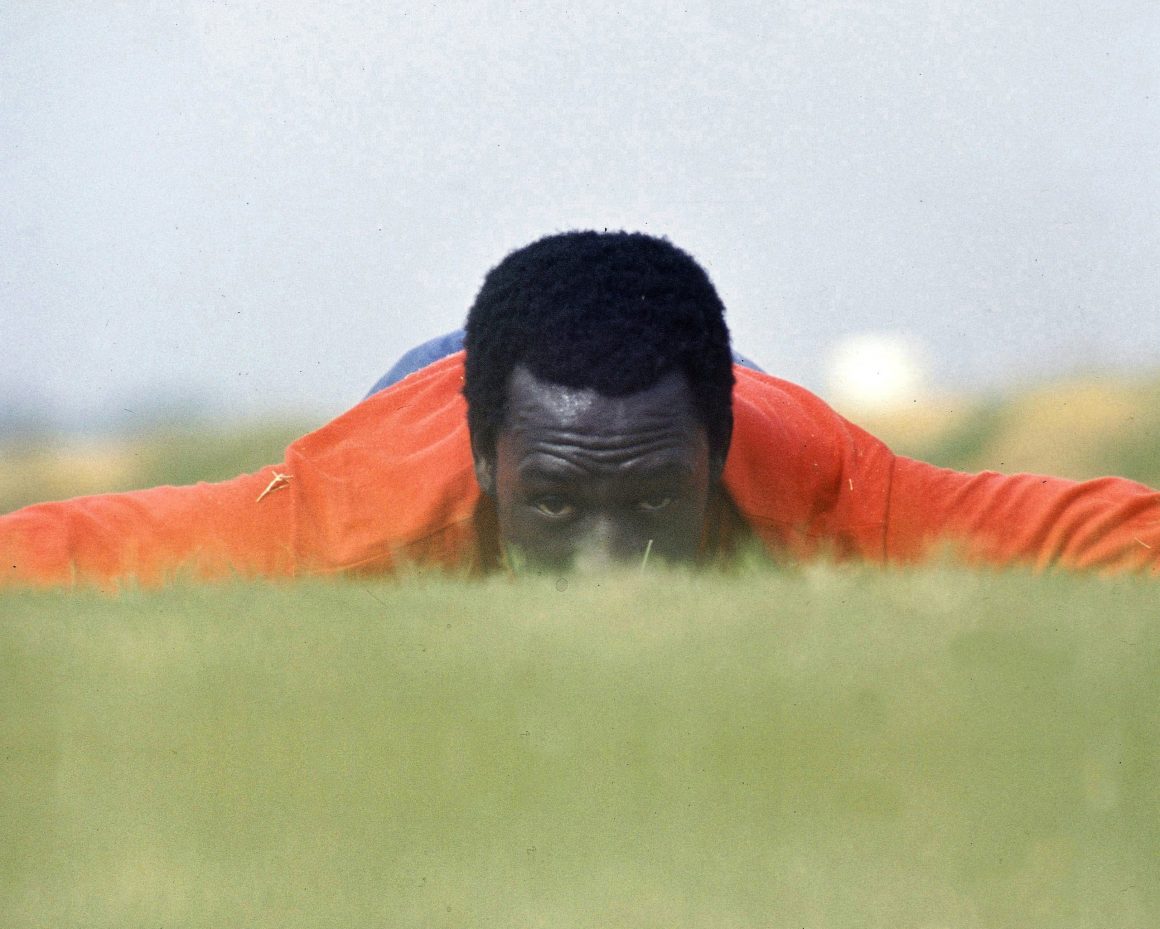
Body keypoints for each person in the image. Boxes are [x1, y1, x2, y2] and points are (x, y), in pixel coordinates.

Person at [3, 231, 1159, 589]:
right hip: (437, 390)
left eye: (652, 499)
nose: (607, 561)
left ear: (714, 456)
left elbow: (1107, 530)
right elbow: (63, 549)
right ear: (486, 468)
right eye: (555, 504)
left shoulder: (841, 490)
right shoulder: (344, 518)